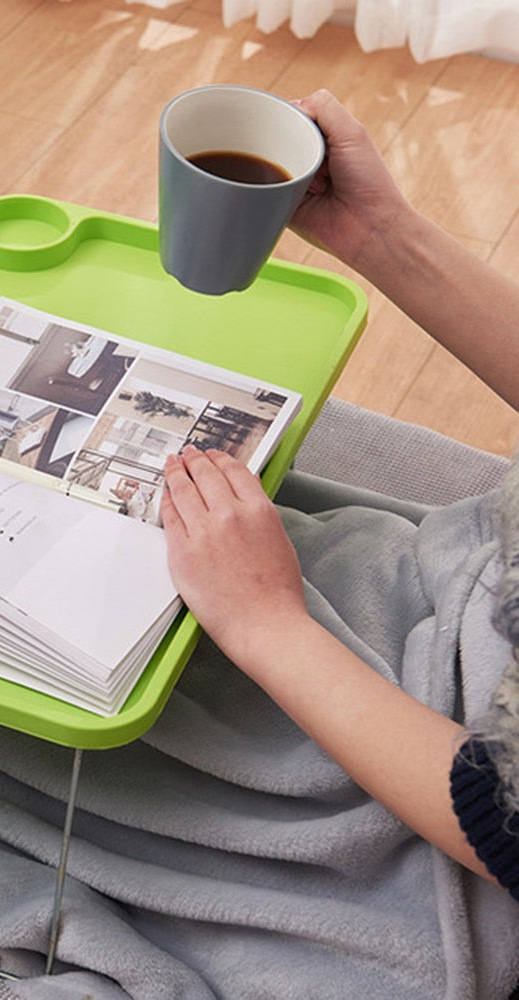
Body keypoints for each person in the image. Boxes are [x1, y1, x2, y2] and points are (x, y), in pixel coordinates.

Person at [161, 90, 519, 899]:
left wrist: (266, 624)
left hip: (443, 759)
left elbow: (505, 817)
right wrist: (380, 232)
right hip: (464, 597)